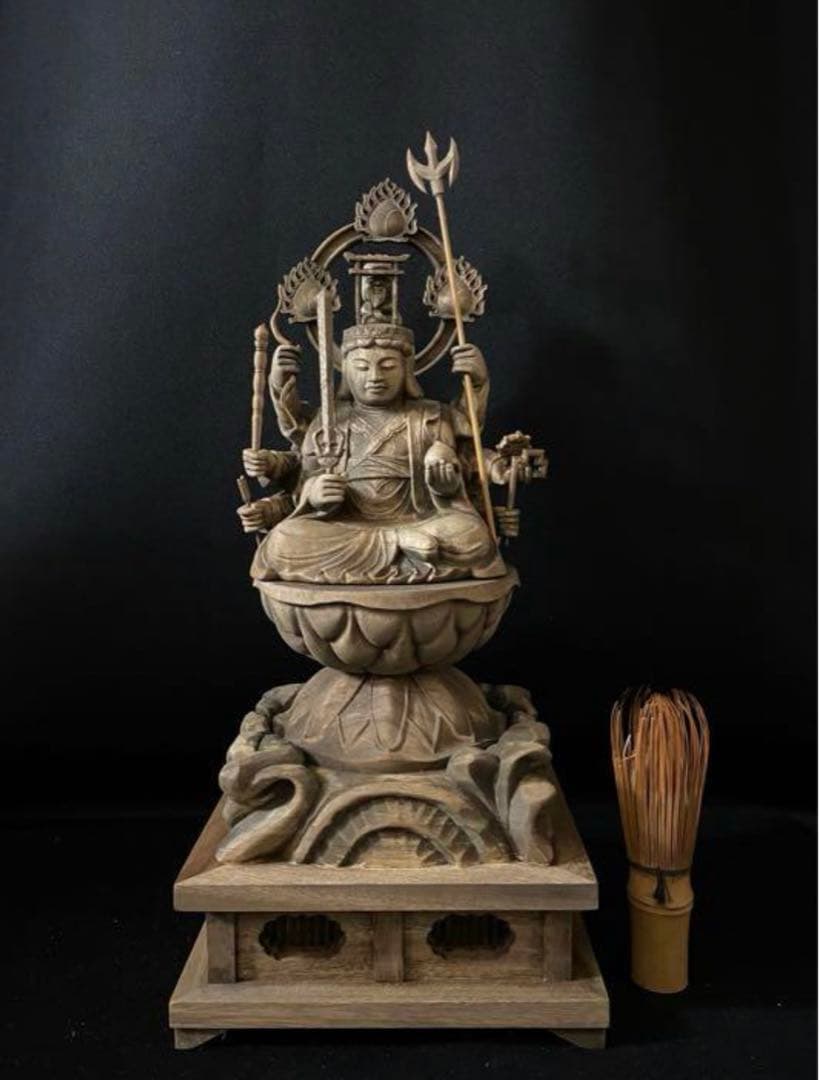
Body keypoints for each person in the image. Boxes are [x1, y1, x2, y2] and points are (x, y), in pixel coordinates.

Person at [238, 321, 509, 585]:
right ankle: (398, 546)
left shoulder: (431, 417)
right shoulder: (329, 421)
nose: (375, 377)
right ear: (346, 371)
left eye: (388, 366)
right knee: (284, 539)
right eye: (362, 367)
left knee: (473, 535)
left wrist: (446, 486)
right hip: (350, 529)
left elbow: (465, 456)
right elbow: (304, 479)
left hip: (421, 523)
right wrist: (314, 494)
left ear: (406, 370)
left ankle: (405, 547)